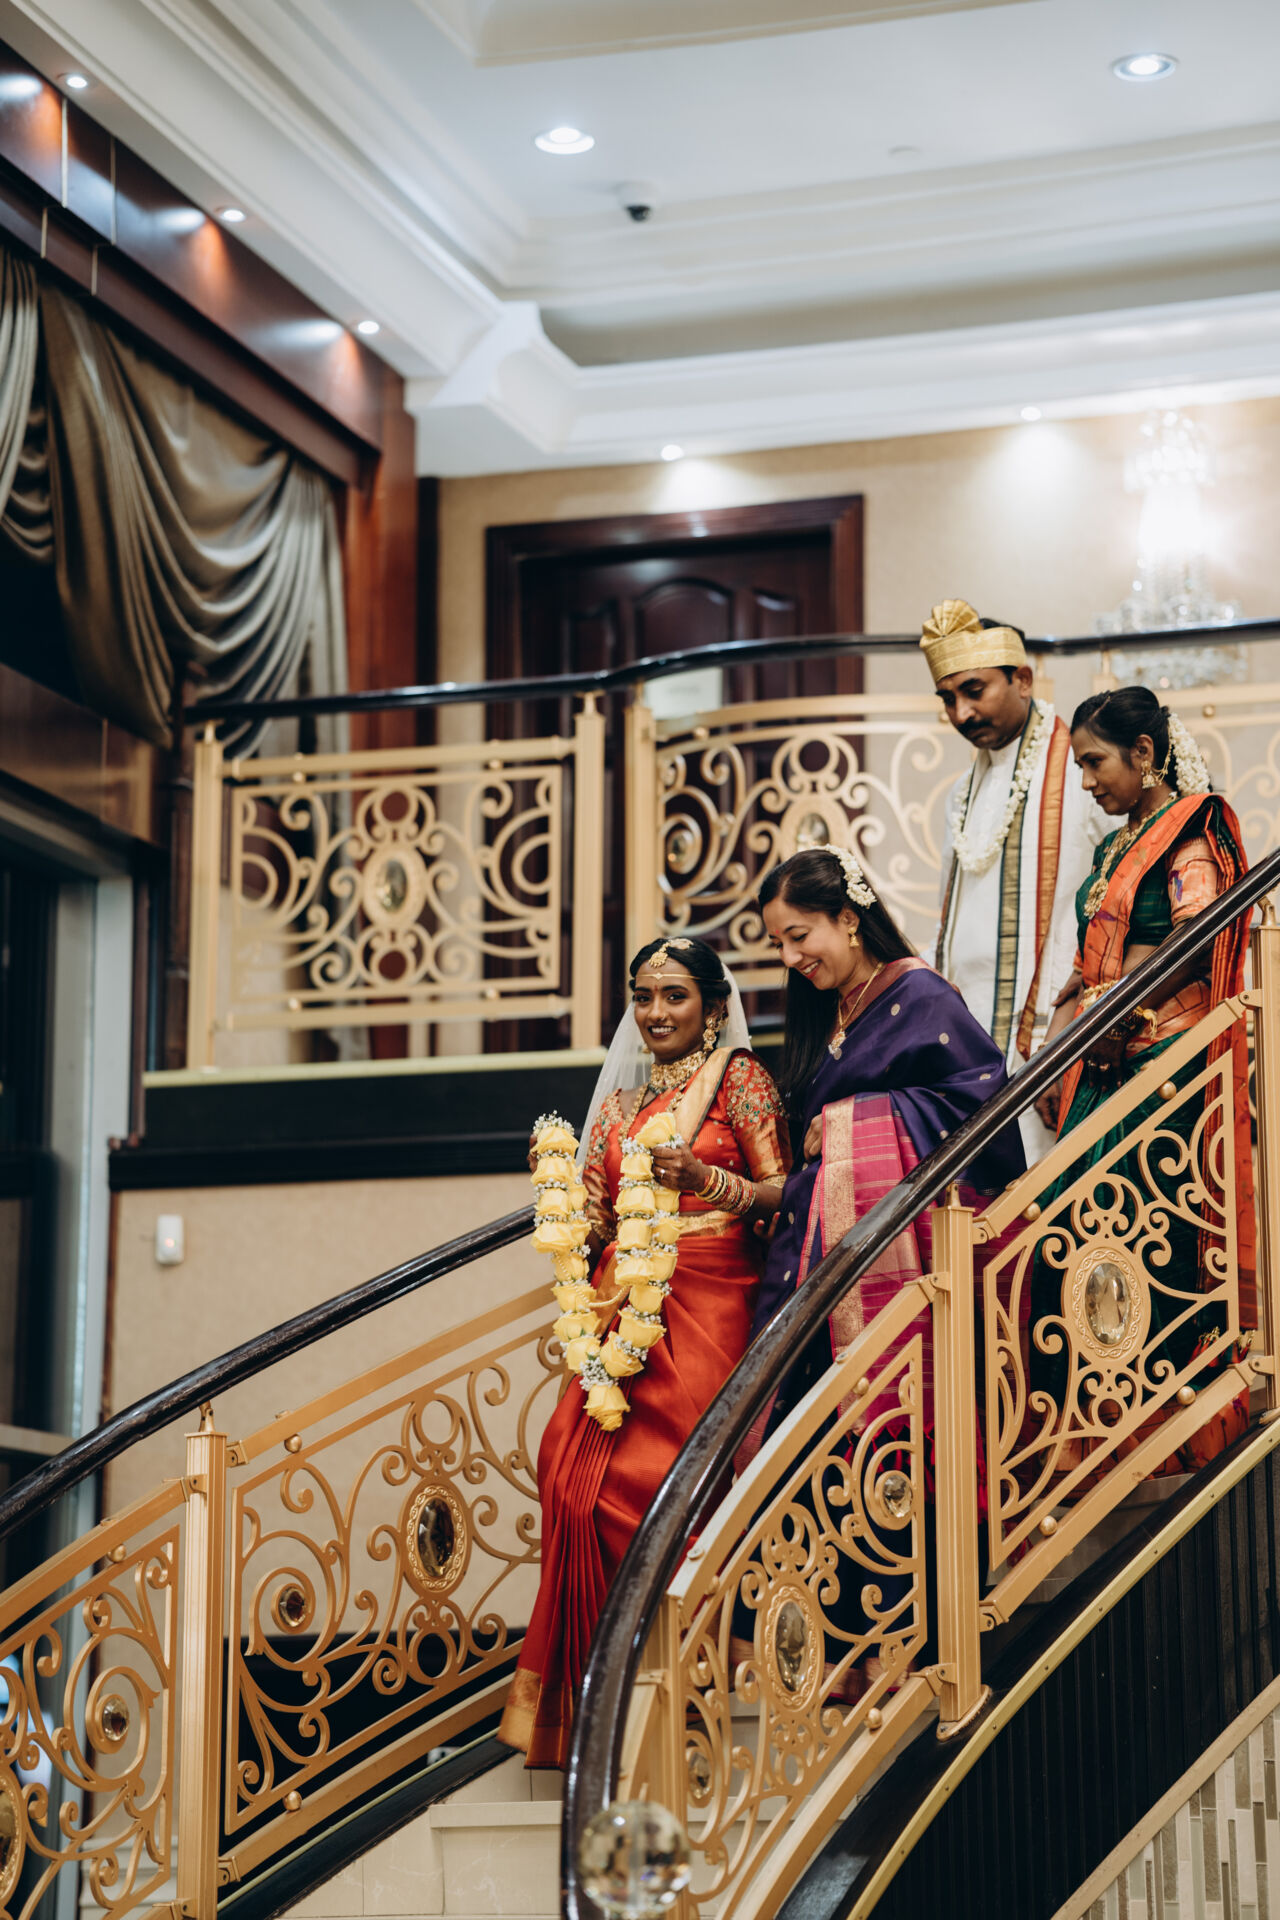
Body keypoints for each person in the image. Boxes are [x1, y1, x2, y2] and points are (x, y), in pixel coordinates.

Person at [499, 936, 789, 1769]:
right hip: (622, 1298)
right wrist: (558, 1195)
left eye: (675, 996)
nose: (656, 1013)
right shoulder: (621, 1105)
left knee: (663, 1474)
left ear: (714, 1008)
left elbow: (784, 1191)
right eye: (644, 997)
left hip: (714, 1291)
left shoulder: (740, 1081)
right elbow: (597, 1218)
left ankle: (690, 1672)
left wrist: (703, 1181)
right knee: (569, 1472)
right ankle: (601, 1692)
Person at [741, 846, 1025, 1467]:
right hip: (819, 1243)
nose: (789, 958)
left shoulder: (920, 996)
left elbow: (981, 1109)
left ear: (848, 918)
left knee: (876, 1433)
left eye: (798, 936)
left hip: (889, 1253)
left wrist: (849, 1123)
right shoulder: (830, 1009)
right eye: (778, 944)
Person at [1029, 688, 1255, 1459]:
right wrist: (1060, 1042)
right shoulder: (1112, 850)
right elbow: (1089, 962)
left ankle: (1162, 1427)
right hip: (1104, 1058)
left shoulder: (1188, 833)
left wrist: (1121, 1008)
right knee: (1072, 1228)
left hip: (1164, 1064)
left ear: (1145, 753)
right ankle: (1093, 1421)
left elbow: (1197, 937)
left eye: (1095, 762)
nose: (1087, 780)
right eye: (1080, 765)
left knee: (1148, 1232)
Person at [922, 597, 1107, 1160]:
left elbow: (1118, 898)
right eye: (947, 698)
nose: (960, 713)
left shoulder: (1083, 770)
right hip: (970, 1030)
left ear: (1022, 680)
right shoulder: (963, 790)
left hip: (1053, 1025)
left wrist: (1071, 1028)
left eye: (974, 690)